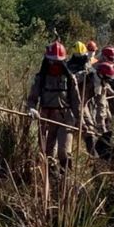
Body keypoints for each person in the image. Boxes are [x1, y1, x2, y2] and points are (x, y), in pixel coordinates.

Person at [26, 41, 81, 170]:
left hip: (65, 119)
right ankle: (50, 179)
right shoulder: (41, 78)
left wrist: (80, 120)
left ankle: (65, 180)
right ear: (46, 61)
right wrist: (32, 109)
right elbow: (32, 99)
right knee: (46, 153)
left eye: (58, 62)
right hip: (46, 119)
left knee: (64, 152)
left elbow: (75, 101)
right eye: (52, 62)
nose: (54, 65)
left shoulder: (70, 78)